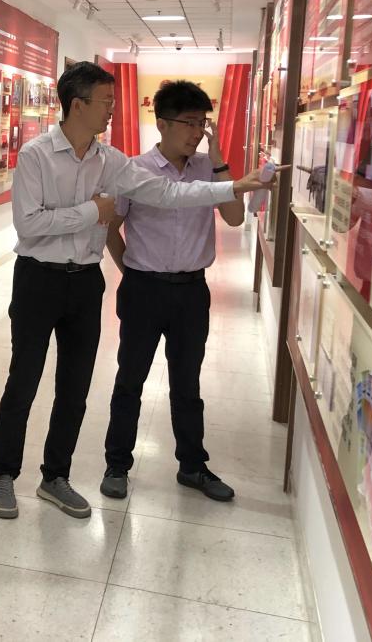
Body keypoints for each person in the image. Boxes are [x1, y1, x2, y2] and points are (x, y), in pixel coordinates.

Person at [0, 61, 279, 520]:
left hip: (86, 280)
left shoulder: (112, 161)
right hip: (39, 278)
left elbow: (168, 193)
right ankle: (3, 474)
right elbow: (29, 225)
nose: (112, 111)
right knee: (24, 380)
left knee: (75, 388)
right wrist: (93, 211)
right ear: (78, 105)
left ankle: (55, 477)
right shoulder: (36, 155)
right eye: (106, 102)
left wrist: (234, 185)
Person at [101, 80, 244, 504]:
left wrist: (219, 162)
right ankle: (116, 464)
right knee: (130, 380)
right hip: (144, 289)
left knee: (187, 384)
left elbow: (235, 218)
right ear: (161, 123)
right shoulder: (135, 170)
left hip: (192, 292)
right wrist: (131, 271)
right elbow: (111, 228)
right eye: (189, 123)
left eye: (203, 123)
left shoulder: (207, 169)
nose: (197, 132)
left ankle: (193, 466)